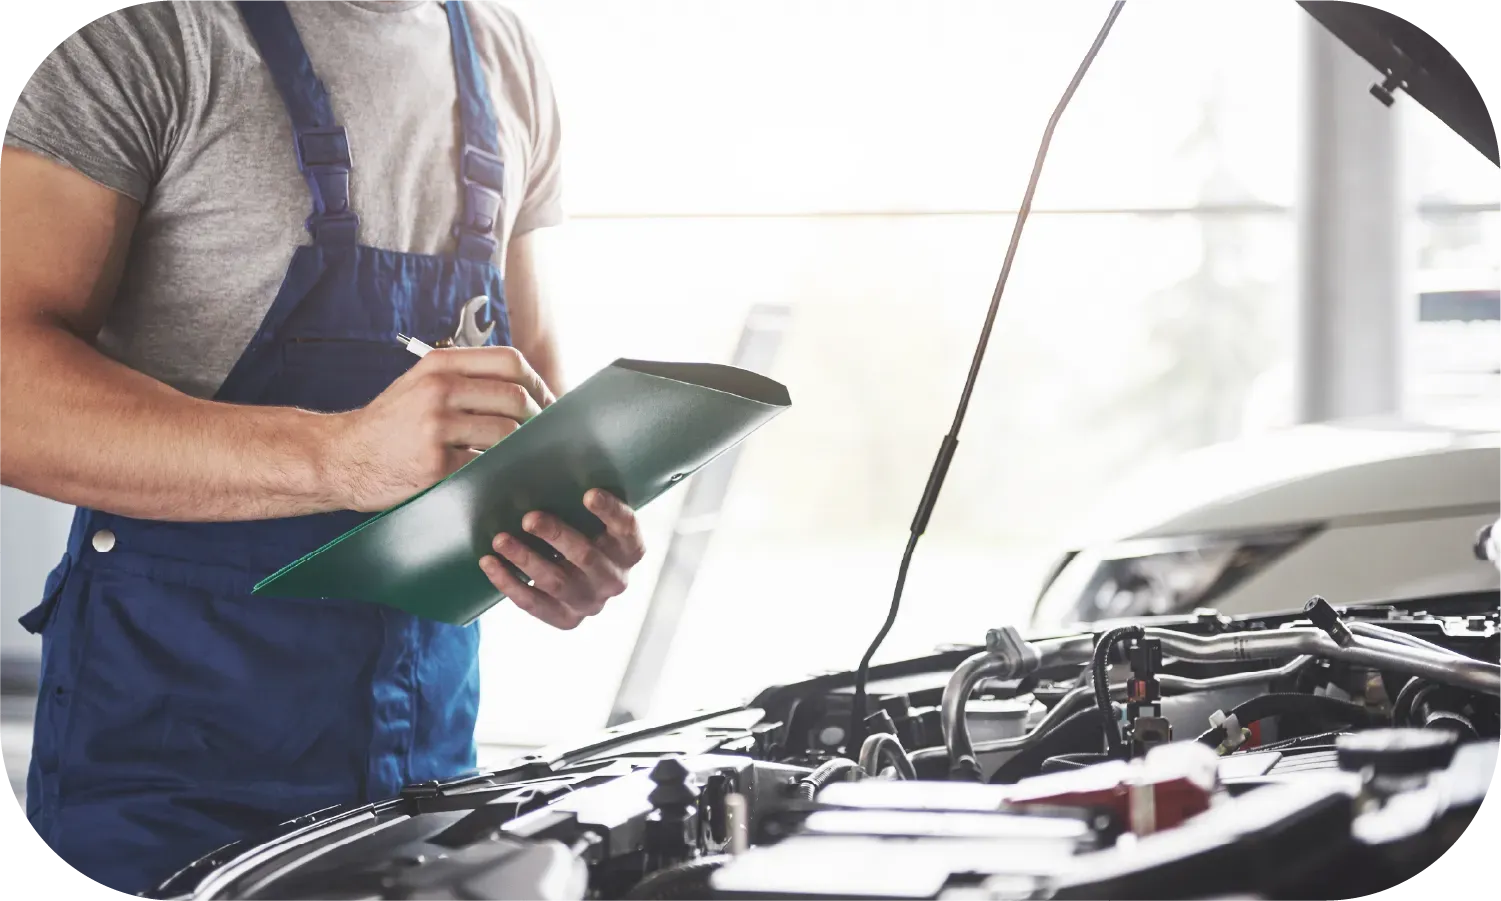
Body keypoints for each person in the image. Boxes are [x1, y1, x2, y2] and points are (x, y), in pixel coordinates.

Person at [0, 0, 645, 896]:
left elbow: (528, 402)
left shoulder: (504, 55)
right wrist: (339, 459)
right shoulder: (146, 33)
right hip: (171, 782)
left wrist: (565, 531)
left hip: (426, 774)